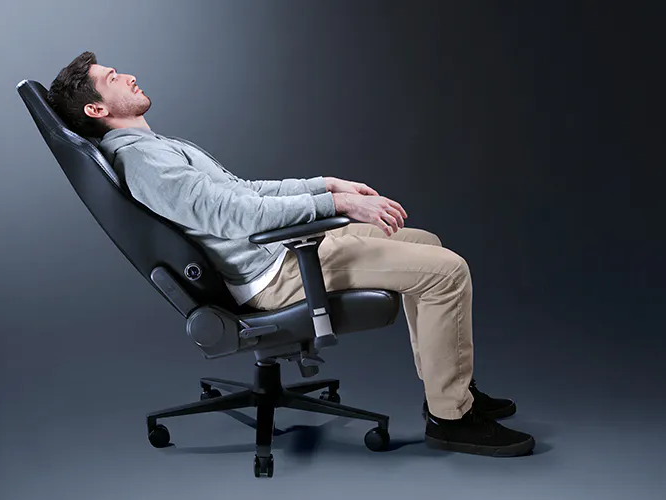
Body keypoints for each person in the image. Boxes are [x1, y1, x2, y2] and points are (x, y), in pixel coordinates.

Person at [46, 51, 536, 457]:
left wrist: (325, 184)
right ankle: (452, 419)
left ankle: (450, 392)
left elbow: (244, 189)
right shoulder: (143, 161)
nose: (128, 74)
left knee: (427, 247)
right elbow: (236, 215)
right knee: (448, 273)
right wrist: (336, 205)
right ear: (96, 110)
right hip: (276, 274)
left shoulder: (155, 147)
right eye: (113, 78)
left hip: (281, 252)